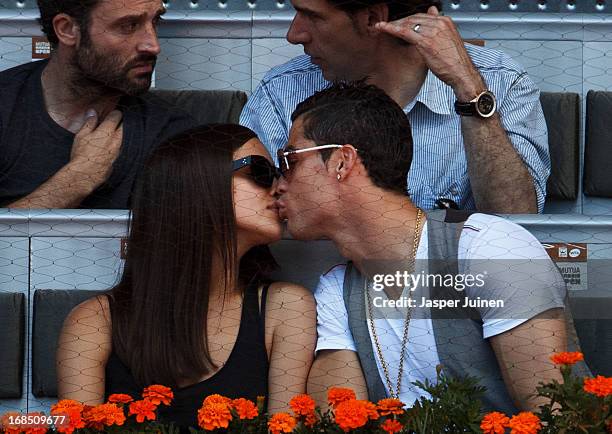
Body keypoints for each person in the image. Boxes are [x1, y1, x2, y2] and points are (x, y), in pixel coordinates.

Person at [274, 82, 577, 414]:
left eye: (289, 160)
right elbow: (339, 421)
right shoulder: (337, 292)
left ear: (342, 163)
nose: (277, 185)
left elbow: (554, 417)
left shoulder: (492, 250)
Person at [56, 124, 317, 429]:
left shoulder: (285, 307)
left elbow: (285, 426)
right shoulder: (93, 321)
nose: (279, 186)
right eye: (260, 172)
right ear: (196, 183)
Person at [241, 0, 550, 213]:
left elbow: (517, 222)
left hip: (454, 296)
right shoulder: (283, 90)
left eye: (313, 16)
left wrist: (468, 89)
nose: (294, 34)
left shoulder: (498, 80)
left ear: (374, 18)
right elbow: (246, 215)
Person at [0, 0, 196, 208]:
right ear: (67, 30)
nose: (153, 45)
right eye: (128, 26)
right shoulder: (6, 107)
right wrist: (75, 181)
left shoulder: (172, 134)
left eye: (156, 20)